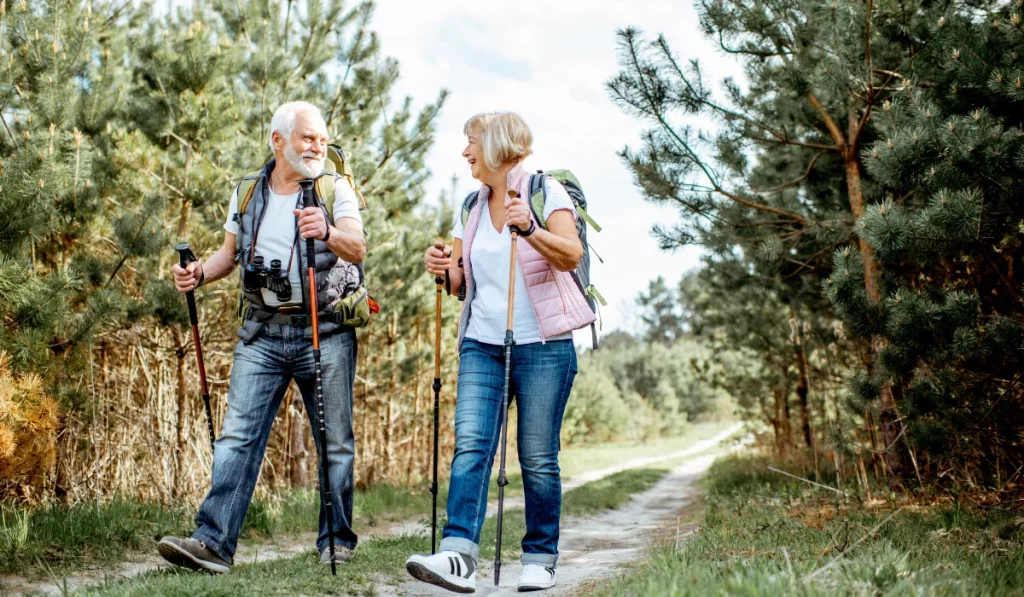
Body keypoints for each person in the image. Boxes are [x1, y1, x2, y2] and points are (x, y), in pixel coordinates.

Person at [157, 101, 366, 574]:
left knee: (334, 442)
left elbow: (357, 246)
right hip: (262, 333)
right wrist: (198, 274)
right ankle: (212, 544)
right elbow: (228, 256)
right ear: (278, 141)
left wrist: (328, 231)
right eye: (307, 138)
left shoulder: (335, 189)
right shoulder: (248, 191)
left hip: (324, 330)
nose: (318, 146)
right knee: (236, 439)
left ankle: (336, 541)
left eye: (322, 139)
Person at [405, 111, 594, 593]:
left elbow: (569, 255)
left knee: (536, 456)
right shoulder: (470, 205)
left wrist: (529, 229)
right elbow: (459, 282)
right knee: (471, 446)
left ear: (495, 145)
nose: (465, 152)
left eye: (471, 142)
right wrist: (442, 268)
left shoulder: (543, 190)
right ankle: (457, 555)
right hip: (481, 343)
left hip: (545, 347)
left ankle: (539, 556)